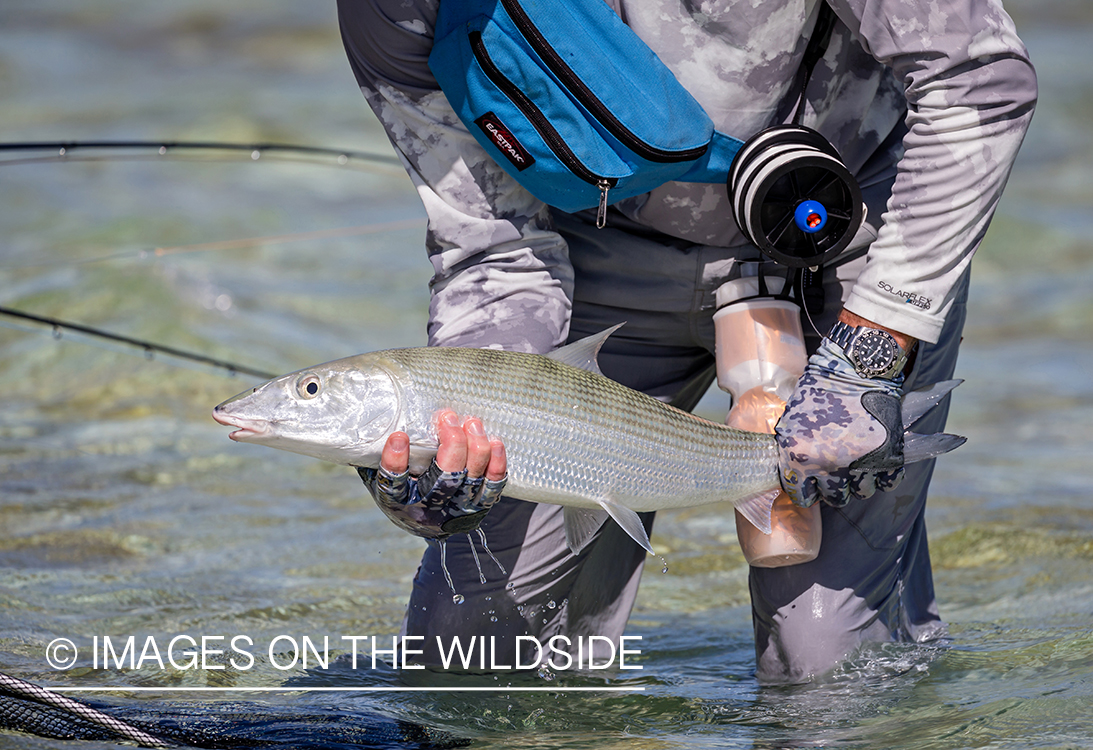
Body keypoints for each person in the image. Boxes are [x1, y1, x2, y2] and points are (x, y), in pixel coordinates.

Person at [337, 0, 1036, 682]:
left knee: (824, 664)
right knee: (464, 656)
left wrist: (872, 351)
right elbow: (492, 251)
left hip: (841, 229)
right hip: (590, 250)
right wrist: (457, 435)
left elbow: (977, 80)